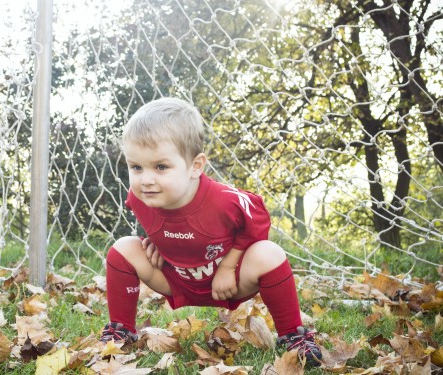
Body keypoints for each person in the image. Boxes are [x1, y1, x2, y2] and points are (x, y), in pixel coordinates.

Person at [100, 97, 322, 366]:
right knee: (124, 246)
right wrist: (154, 242)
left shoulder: (223, 200)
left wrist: (229, 266)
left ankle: (294, 336)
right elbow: (157, 223)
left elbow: (259, 219)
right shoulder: (140, 197)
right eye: (136, 167)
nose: (146, 179)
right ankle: (120, 332)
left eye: (161, 167)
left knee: (269, 253)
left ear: (195, 166)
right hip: (176, 279)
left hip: (229, 282)